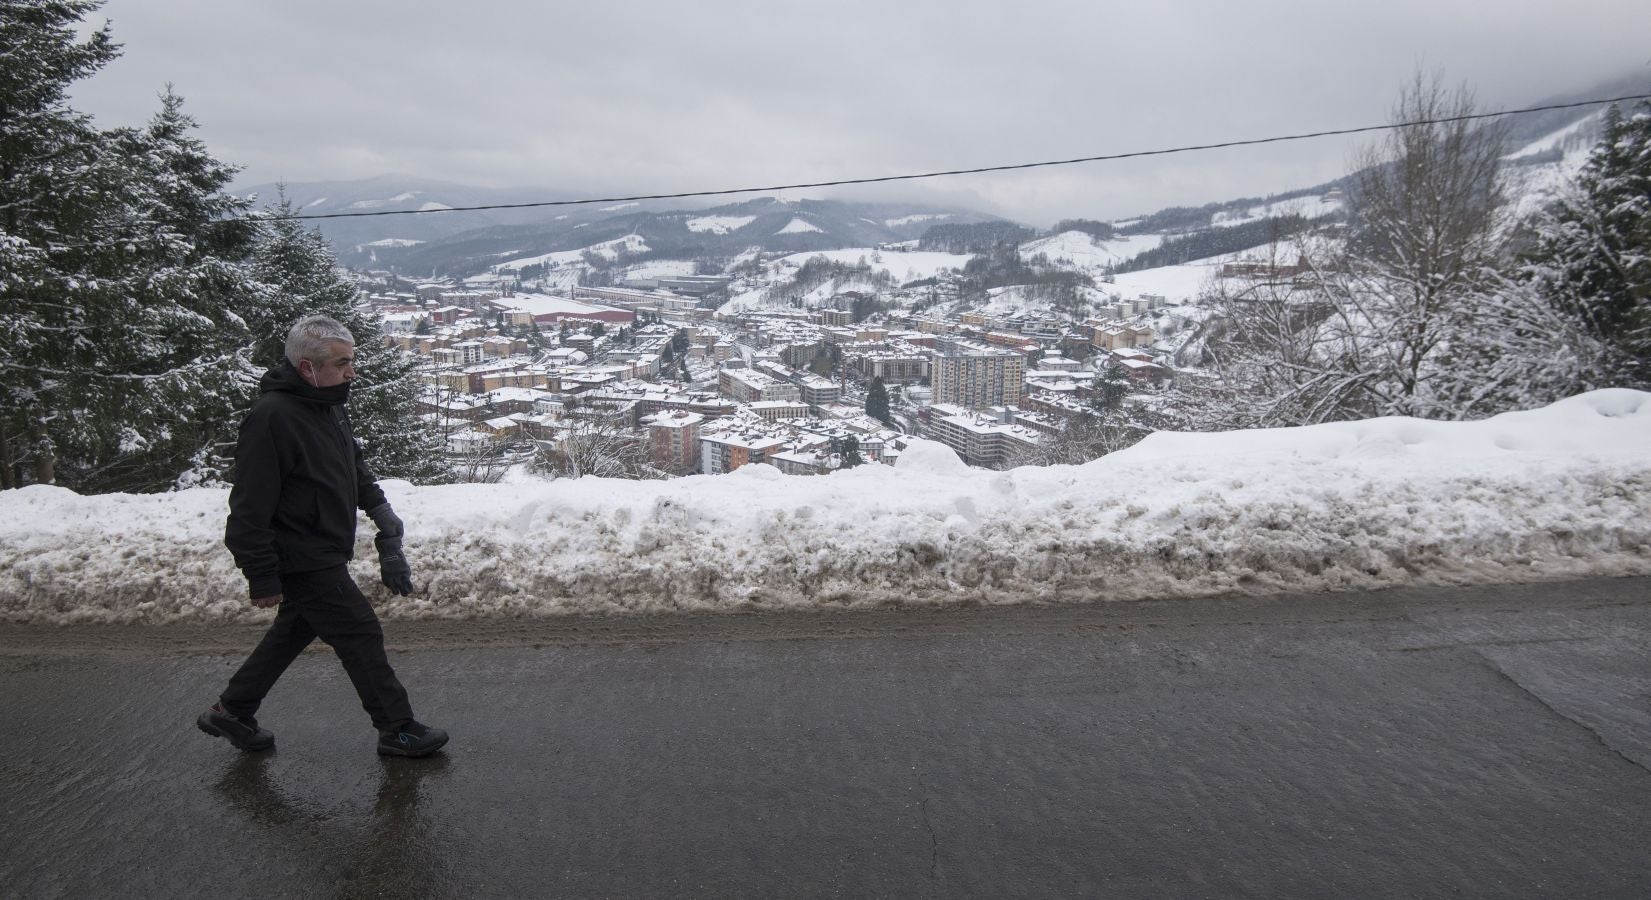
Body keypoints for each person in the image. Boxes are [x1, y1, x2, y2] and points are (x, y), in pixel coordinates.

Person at [197, 315, 447, 758]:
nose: (352, 371)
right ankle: (397, 728)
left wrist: (380, 511)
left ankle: (232, 710)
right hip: (301, 553)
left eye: (352, 361)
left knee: (294, 630)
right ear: (308, 367)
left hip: (324, 545)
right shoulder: (272, 418)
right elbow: (248, 507)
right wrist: (261, 573)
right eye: (342, 362)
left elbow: (352, 465)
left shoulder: (327, 402)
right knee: (360, 632)